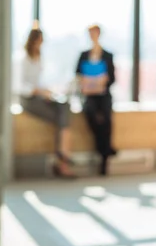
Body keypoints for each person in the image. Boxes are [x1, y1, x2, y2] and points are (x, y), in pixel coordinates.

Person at [20, 25, 76, 179]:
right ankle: (63, 158)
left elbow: (38, 82)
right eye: (40, 41)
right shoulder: (22, 59)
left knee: (64, 105)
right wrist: (38, 91)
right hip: (28, 99)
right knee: (62, 118)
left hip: (40, 96)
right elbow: (20, 86)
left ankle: (63, 155)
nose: (41, 44)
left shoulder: (39, 58)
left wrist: (48, 91)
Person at [76, 24, 117, 176]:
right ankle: (105, 148)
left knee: (106, 118)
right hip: (88, 95)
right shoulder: (84, 55)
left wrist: (102, 81)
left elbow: (112, 78)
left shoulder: (107, 55)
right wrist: (89, 82)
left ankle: (104, 157)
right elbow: (78, 75)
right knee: (91, 114)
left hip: (103, 94)